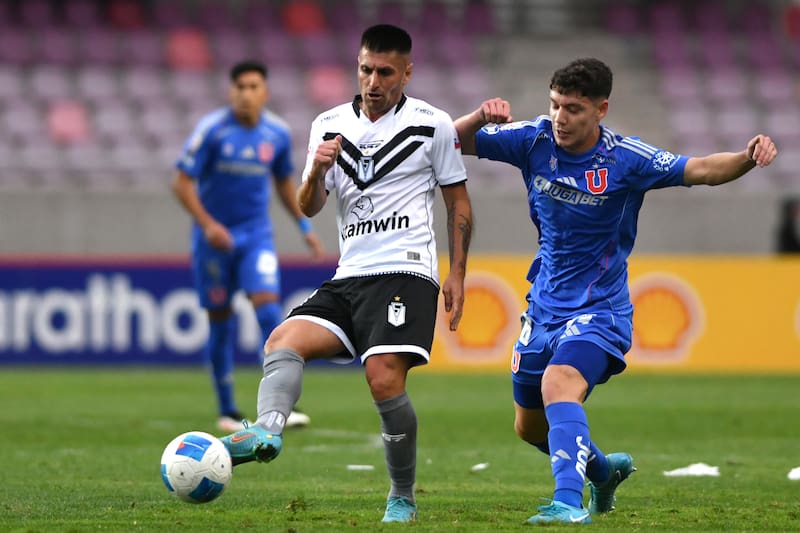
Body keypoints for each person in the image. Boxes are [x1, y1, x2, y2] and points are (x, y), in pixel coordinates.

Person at [454, 58, 777, 525]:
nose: (561, 118)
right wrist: (479, 117)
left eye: (573, 109)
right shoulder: (534, 139)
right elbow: (451, 140)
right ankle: (603, 472)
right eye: (555, 105)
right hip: (543, 307)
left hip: (600, 310)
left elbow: (702, 168)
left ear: (601, 109)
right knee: (528, 427)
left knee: (558, 382)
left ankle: (567, 502)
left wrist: (748, 157)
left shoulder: (627, 159)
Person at [219, 24, 473, 523]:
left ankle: (402, 495)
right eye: (364, 70)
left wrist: (458, 273)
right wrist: (314, 171)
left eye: (384, 72)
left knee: (382, 378)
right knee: (283, 339)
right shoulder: (328, 123)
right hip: (350, 274)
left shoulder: (433, 124)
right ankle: (268, 429)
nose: (373, 81)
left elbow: (458, 202)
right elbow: (308, 206)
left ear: (406, 72)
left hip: (406, 272)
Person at [172, 60, 324, 433]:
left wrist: (304, 225)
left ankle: (281, 406)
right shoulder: (213, 131)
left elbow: (284, 184)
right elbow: (181, 182)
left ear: (265, 92)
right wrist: (208, 225)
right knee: (220, 322)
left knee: (269, 312)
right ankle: (226, 408)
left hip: (256, 236)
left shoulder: (276, 134)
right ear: (231, 91)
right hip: (215, 241)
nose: (245, 94)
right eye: (239, 87)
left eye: (253, 86)